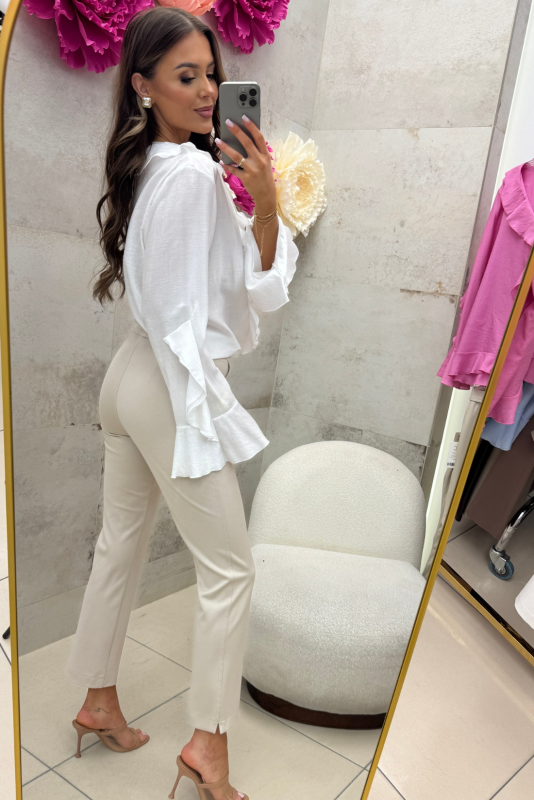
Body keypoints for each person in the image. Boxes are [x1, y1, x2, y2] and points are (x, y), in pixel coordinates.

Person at [64, 6, 299, 800]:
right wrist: (203, 408)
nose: (206, 92)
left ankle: (98, 700)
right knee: (230, 571)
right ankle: (208, 745)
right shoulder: (194, 175)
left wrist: (261, 199)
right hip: (170, 380)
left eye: (212, 75)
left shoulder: (154, 167)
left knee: (119, 546)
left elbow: (222, 286)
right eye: (186, 76)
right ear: (144, 86)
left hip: (131, 378)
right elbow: (211, 304)